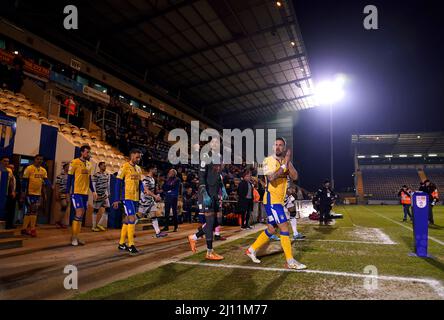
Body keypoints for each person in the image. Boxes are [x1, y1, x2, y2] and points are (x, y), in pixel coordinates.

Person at [245, 137, 307, 269]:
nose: (278, 147)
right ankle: (290, 261)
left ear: (283, 148)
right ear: (273, 147)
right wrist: (284, 166)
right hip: (272, 200)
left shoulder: (285, 161)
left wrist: (288, 163)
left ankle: (251, 250)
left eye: (280, 145)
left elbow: (295, 176)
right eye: (276, 145)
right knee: (284, 228)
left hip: (280, 201)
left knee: (272, 229)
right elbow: (271, 178)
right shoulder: (268, 160)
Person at [187, 137, 227, 260]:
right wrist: (204, 193)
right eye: (213, 142)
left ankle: (193, 237)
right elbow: (201, 175)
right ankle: (209, 252)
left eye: (217, 142)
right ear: (210, 144)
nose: (215, 144)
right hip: (207, 194)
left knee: (216, 222)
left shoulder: (219, 157)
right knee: (210, 223)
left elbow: (218, 175)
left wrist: (223, 188)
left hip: (215, 194)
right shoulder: (205, 156)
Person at [113, 148, 148, 255]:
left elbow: (140, 182)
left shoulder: (138, 169)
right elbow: (117, 184)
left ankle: (121, 243)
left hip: (135, 198)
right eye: (137, 157)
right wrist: (116, 199)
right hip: (127, 197)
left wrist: (144, 189)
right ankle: (130, 245)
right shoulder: (124, 167)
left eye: (139, 157)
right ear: (132, 155)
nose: (138, 159)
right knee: (132, 218)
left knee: (128, 220)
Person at [66, 145, 97, 246]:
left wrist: (93, 191)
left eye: (89, 152)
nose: (88, 154)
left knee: (81, 214)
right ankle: (74, 237)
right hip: (76, 192)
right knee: (79, 212)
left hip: (85, 193)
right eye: (87, 152)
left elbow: (89, 179)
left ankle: (77, 236)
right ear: (82, 152)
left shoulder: (89, 164)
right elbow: (69, 179)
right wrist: (67, 192)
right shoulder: (74, 162)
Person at [20, 154, 52, 237]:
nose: (40, 161)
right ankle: (32, 229)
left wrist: (51, 186)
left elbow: (46, 180)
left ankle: (24, 229)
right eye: (38, 159)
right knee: (33, 210)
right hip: (29, 193)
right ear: (35, 159)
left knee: (30, 211)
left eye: (41, 159)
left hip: (38, 194)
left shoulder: (43, 170)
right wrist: (23, 193)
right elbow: (24, 181)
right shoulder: (29, 168)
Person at [138, 164, 167, 238]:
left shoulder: (152, 179)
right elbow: (146, 190)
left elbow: (153, 190)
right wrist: (155, 196)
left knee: (154, 216)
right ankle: (129, 229)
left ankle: (158, 232)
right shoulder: (145, 179)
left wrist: (160, 192)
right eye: (155, 169)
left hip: (150, 200)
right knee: (139, 216)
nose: (156, 170)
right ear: (151, 169)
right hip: (144, 200)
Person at [91, 162, 111, 232]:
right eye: (103, 166)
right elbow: (93, 184)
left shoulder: (107, 175)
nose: (105, 167)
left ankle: (99, 224)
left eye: (105, 165)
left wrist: (108, 192)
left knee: (108, 208)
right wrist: (94, 193)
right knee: (95, 210)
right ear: (99, 166)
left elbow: (108, 185)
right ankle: (93, 226)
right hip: (98, 195)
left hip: (104, 195)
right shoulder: (96, 175)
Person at [55, 163, 69, 228]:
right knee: (64, 205)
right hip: (62, 192)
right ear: (64, 167)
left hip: (68, 193)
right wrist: (56, 193)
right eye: (67, 166)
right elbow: (57, 185)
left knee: (65, 208)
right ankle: (58, 221)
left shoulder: (70, 176)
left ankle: (60, 222)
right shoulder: (60, 175)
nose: (69, 168)